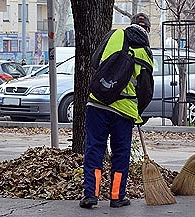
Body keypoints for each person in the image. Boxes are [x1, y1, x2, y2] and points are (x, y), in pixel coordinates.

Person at [79, 13, 154, 209]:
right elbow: (145, 91)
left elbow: (95, 61)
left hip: (98, 102)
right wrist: (139, 112)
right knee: (121, 153)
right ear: (147, 30)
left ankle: (91, 195)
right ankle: (116, 196)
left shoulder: (113, 35)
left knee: (94, 148)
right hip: (124, 111)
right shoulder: (145, 53)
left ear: (130, 26)